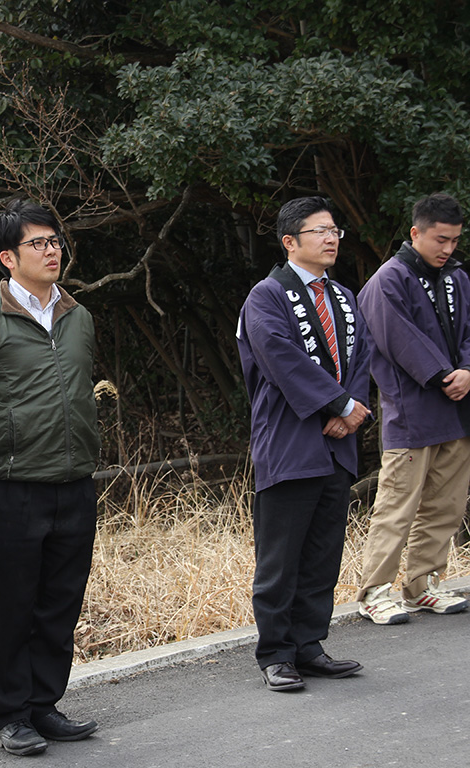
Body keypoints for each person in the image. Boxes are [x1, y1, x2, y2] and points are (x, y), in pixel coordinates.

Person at [0, 199, 101, 756]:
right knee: (11, 603)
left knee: (62, 599)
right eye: (38, 243)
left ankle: (45, 704)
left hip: (75, 480)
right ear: (7, 258)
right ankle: (11, 713)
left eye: (55, 240)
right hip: (14, 486)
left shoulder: (78, 316)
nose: (51, 249)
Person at [237, 196, 372, 692]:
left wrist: (352, 407)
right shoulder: (267, 296)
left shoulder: (344, 296)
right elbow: (279, 357)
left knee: (322, 552)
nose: (332, 238)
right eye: (320, 231)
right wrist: (337, 405)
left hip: (336, 445)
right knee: (281, 556)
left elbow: (363, 358)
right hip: (290, 442)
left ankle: (310, 644)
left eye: (335, 230)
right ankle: (276, 653)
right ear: (290, 241)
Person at [355, 193, 470, 624]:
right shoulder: (389, 279)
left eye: (455, 241)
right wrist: (446, 375)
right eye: (441, 239)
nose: (448, 249)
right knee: (397, 505)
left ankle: (423, 584)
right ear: (415, 233)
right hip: (411, 409)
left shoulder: (457, 277)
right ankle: (374, 592)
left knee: (447, 504)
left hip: (458, 410)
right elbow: (397, 338)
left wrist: (468, 369)